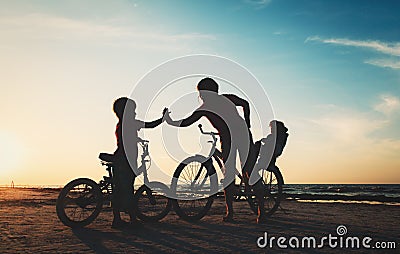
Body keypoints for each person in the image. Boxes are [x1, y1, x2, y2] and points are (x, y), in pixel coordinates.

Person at [164, 77, 264, 222]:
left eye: (202, 92)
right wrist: (170, 121)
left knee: (249, 171)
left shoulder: (224, 99)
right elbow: (186, 122)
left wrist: (247, 124)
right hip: (228, 138)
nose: (201, 96)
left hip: (242, 136)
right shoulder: (205, 108)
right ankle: (230, 212)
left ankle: (261, 211)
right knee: (229, 174)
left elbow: (244, 103)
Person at [110, 97, 164, 228]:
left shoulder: (122, 124)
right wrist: (163, 119)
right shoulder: (131, 123)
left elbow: (126, 138)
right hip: (126, 160)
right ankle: (133, 219)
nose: (134, 113)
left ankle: (117, 219)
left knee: (119, 189)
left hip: (120, 158)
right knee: (128, 189)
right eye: (132, 111)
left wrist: (137, 138)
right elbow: (150, 125)